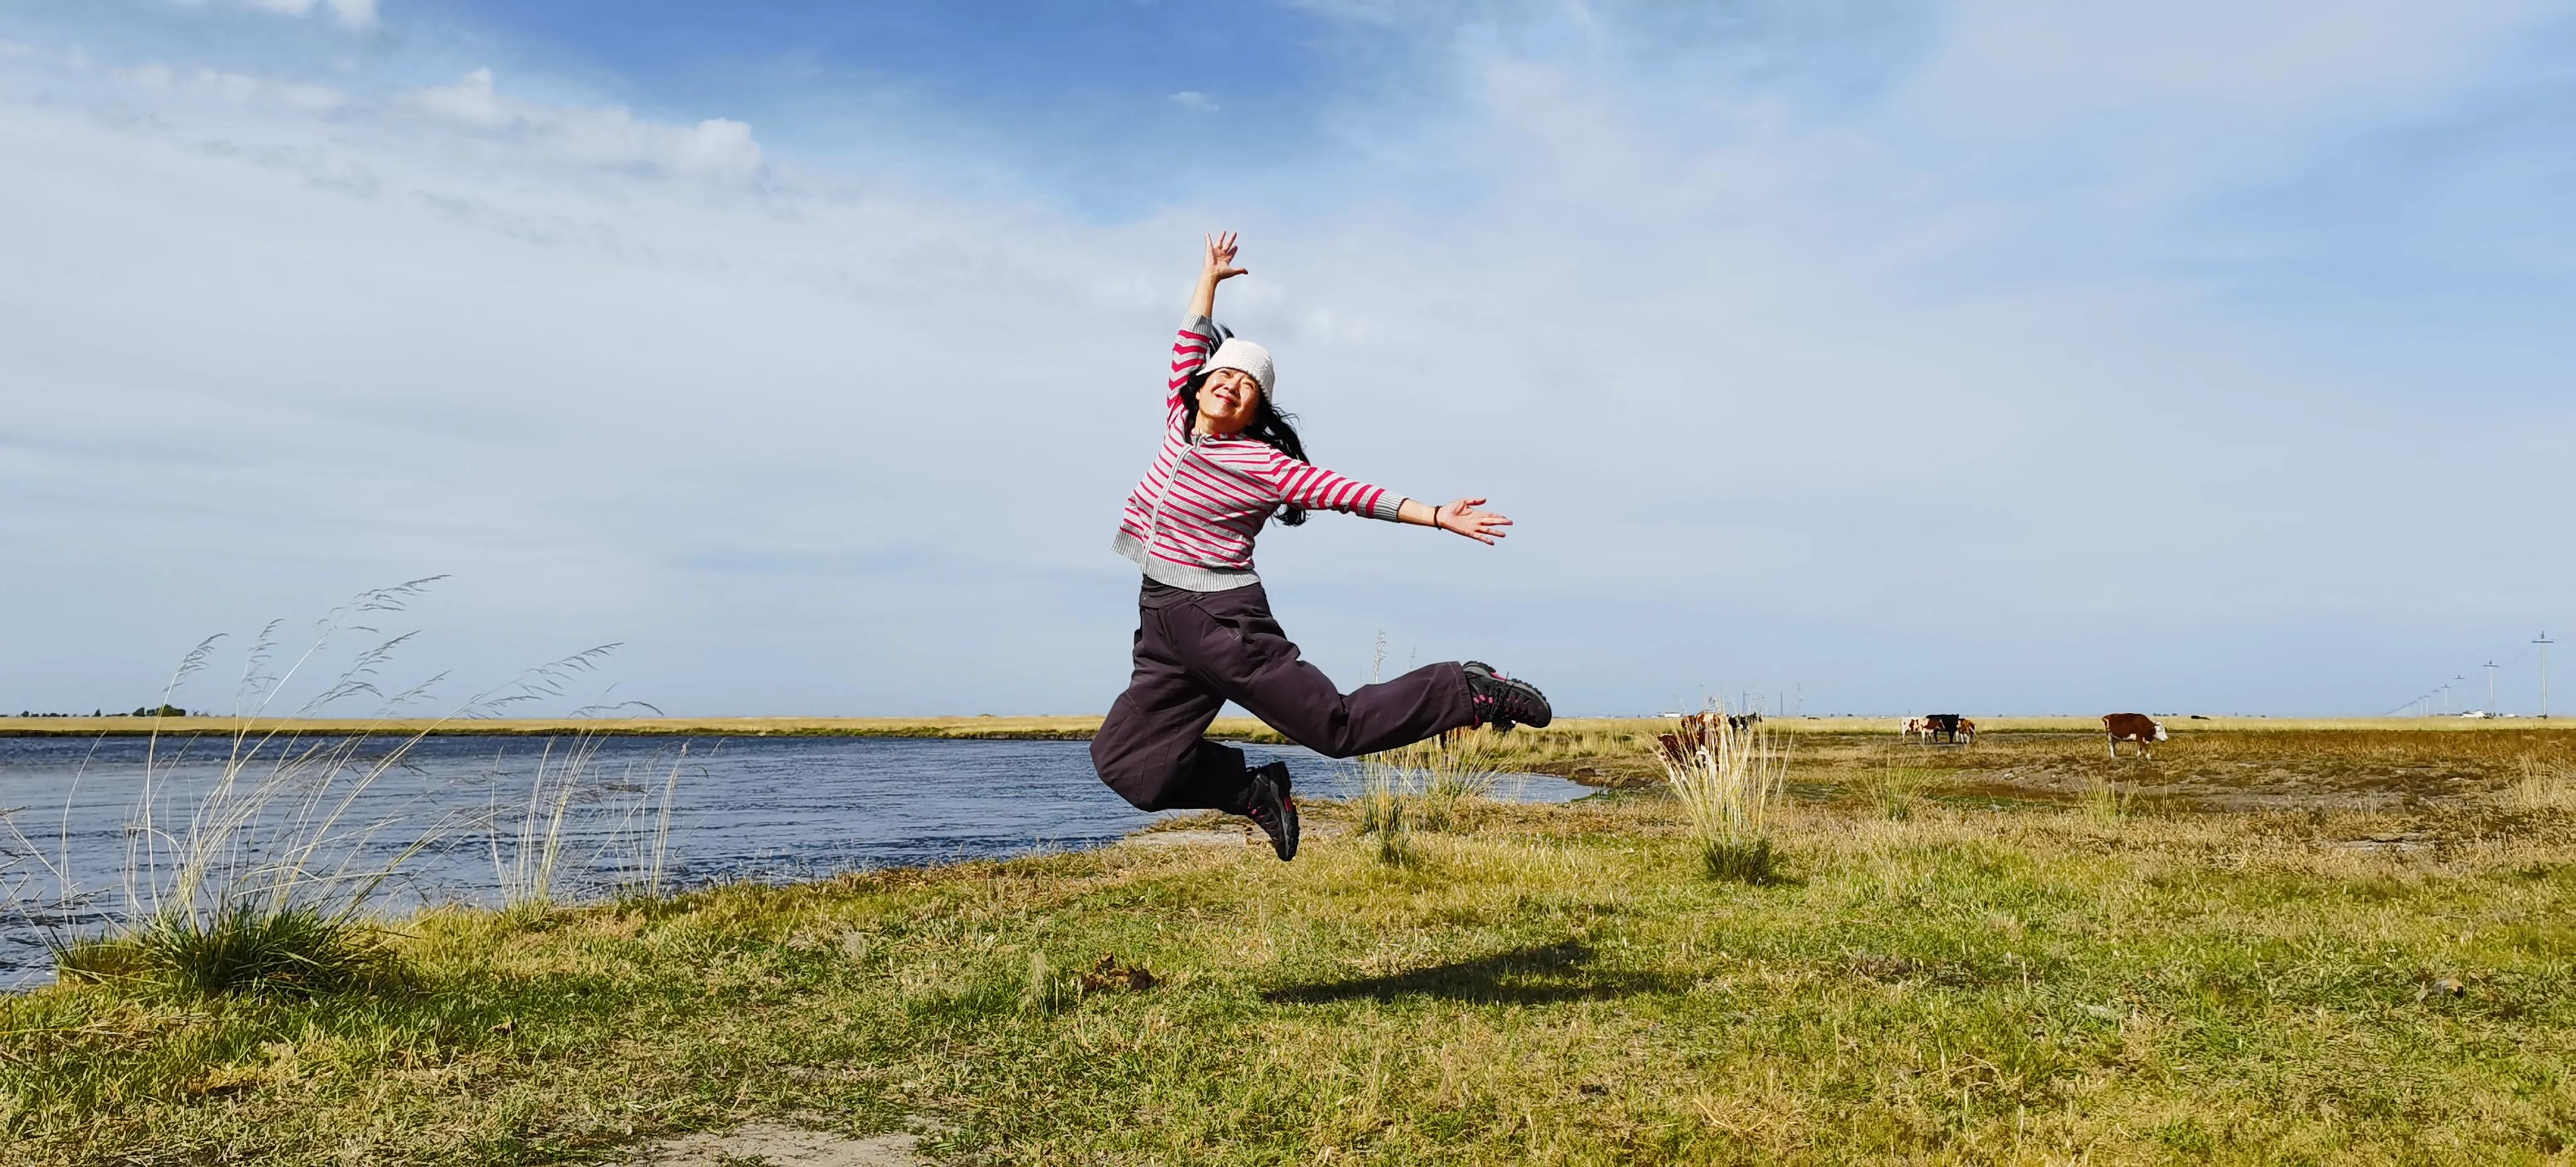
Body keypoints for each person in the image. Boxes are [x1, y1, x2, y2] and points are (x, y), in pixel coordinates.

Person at [1088, 232, 1552, 861]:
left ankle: (1465, 691)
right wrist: (1209, 279)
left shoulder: (1261, 462)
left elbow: (1345, 492)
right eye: (1221, 374)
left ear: (1255, 411)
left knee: (1334, 727)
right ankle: (1253, 789)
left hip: (1224, 624)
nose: (1229, 384)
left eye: (1246, 385)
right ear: (1197, 386)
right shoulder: (1177, 418)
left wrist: (1438, 515)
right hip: (1162, 620)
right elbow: (1189, 338)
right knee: (1125, 761)